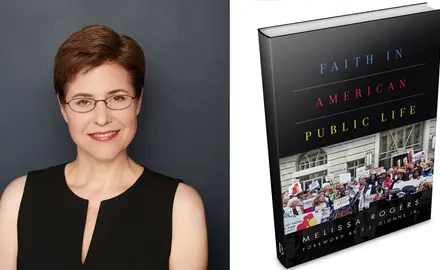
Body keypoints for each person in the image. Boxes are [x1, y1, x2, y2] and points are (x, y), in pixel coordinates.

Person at [0, 25, 208, 270]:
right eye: (83, 101)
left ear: (138, 100)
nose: (102, 118)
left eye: (117, 98)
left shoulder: (182, 207)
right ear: (63, 108)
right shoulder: (18, 199)